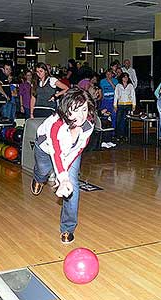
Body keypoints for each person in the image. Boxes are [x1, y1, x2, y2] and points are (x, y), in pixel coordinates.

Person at [30, 87, 95, 244]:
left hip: (71, 153)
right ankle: (38, 178)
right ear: (66, 109)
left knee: (72, 187)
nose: (81, 115)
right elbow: (56, 152)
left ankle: (67, 229)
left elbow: (77, 150)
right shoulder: (56, 124)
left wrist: (65, 179)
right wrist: (62, 177)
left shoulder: (88, 125)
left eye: (84, 109)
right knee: (43, 171)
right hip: (46, 148)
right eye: (76, 110)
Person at [114, 72, 136, 140]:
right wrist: (115, 105)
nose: (125, 78)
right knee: (118, 120)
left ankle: (126, 135)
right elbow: (116, 96)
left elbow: (133, 95)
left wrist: (134, 105)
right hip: (120, 105)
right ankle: (118, 135)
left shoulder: (130, 86)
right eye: (124, 77)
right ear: (121, 78)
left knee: (127, 121)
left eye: (126, 77)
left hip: (128, 105)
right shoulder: (118, 85)